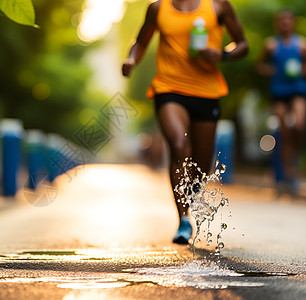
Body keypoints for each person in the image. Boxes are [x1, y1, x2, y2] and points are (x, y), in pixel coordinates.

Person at [122, 0, 248, 244]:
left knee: (200, 167)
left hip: (207, 91)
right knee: (179, 145)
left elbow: (243, 45)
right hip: (169, 88)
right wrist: (131, 60)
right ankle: (183, 219)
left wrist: (222, 54)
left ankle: (189, 199)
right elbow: (140, 41)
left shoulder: (218, 6)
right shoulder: (158, 8)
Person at [257, 10, 306, 194]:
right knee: (284, 132)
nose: (285, 23)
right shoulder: (270, 45)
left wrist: (302, 69)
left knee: (298, 126)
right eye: (282, 21)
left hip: (297, 90)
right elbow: (260, 64)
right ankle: (288, 174)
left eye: (288, 20)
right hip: (278, 91)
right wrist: (268, 70)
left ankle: (295, 156)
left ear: (293, 23)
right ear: (278, 23)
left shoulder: (301, 44)